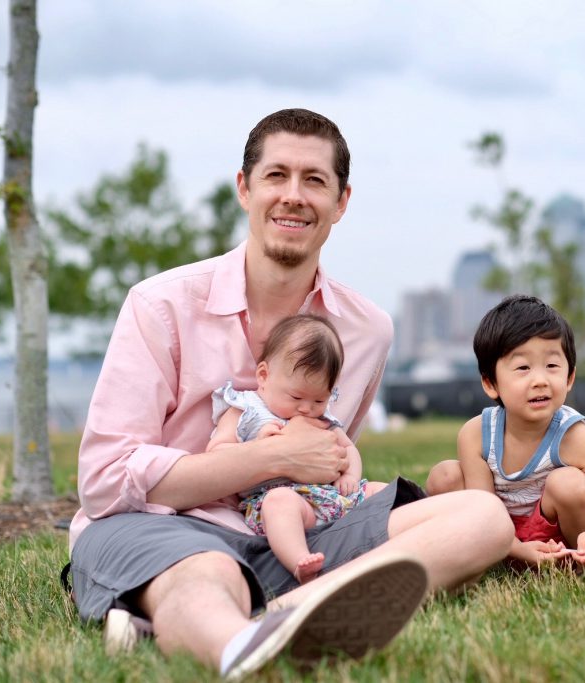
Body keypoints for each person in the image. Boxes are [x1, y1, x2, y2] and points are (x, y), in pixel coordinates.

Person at [67, 108, 514, 678]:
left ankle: (283, 615)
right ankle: (238, 646)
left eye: (315, 181)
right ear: (244, 188)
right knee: (210, 573)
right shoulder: (160, 305)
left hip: (296, 533)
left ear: (341, 202)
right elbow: (105, 481)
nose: (294, 196)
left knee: (483, 517)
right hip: (166, 525)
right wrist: (271, 456)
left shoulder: (365, 329)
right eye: (276, 176)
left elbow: (323, 459)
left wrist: (334, 484)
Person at [425, 295, 585, 580]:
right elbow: (481, 513)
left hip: (558, 542)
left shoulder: (574, 436)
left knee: (569, 484)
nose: (540, 380)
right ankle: (472, 563)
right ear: (491, 384)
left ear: (570, 377)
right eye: (523, 368)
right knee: (445, 476)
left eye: (552, 366)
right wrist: (520, 550)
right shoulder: (476, 434)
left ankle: (582, 570)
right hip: (497, 533)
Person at [207, 314, 387, 584]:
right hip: (280, 501)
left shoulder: (322, 418)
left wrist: (350, 476)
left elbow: (347, 447)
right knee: (280, 503)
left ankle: (411, 538)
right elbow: (215, 454)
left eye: (319, 399)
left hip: (331, 497)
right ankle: (300, 562)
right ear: (264, 375)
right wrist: (258, 448)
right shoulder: (247, 410)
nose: (306, 408)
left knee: (381, 490)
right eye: (296, 397)